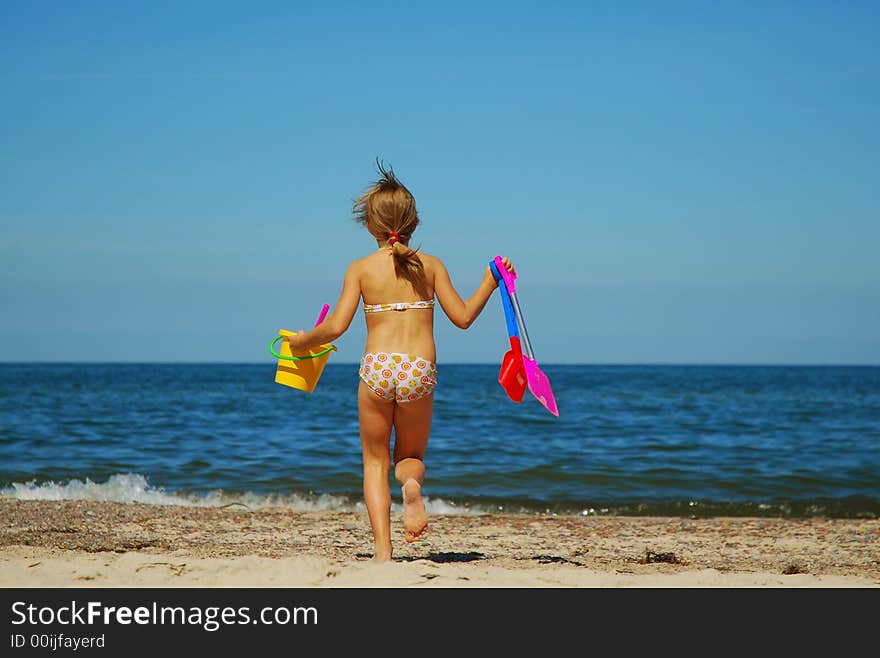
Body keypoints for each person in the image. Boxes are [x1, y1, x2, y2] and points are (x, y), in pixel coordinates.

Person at [286, 162, 515, 562]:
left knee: (374, 462)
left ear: (369, 225)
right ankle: (411, 488)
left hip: (376, 369)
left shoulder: (359, 269)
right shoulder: (431, 266)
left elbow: (336, 327)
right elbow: (462, 319)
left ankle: (382, 553)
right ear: (414, 222)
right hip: (417, 370)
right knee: (409, 458)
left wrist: (304, 341)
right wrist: (489, 283)